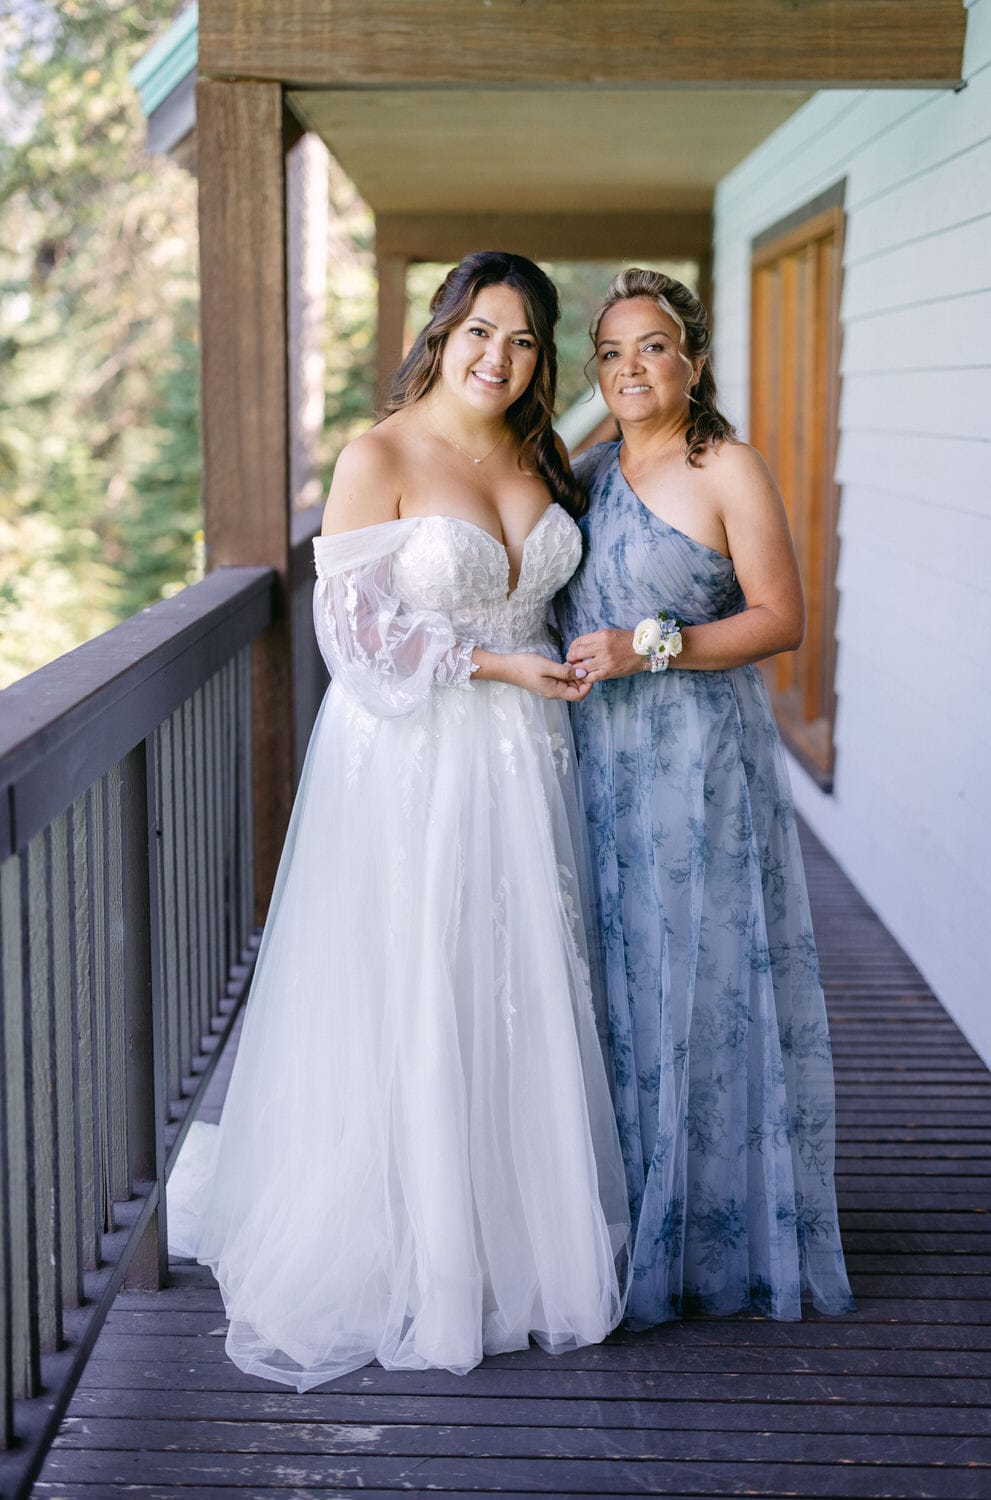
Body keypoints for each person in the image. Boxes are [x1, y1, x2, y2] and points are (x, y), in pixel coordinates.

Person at [166, 251, 629, 1391]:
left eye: (523, 342)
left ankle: (521, 1240)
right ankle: (416, 1252)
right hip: (415, 758)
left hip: (532, 760)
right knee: (423, 977)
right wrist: (495, 666)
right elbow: (354, 640)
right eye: (481, 331)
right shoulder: (376, 456)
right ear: (441, 329)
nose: (499, 358)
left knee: (516, 981)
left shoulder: (537, 452)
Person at [556, 267, 853, 1327]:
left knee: (700, 979)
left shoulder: (724, 464)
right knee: (612, 982)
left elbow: (780, 619)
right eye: (612, 352)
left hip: (695, 765)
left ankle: (709, 1232)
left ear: (690, 359)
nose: (631, 368)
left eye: (651, 347)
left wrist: (654, 648)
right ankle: (623, 1211)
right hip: (596, 763)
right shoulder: (582, 473)